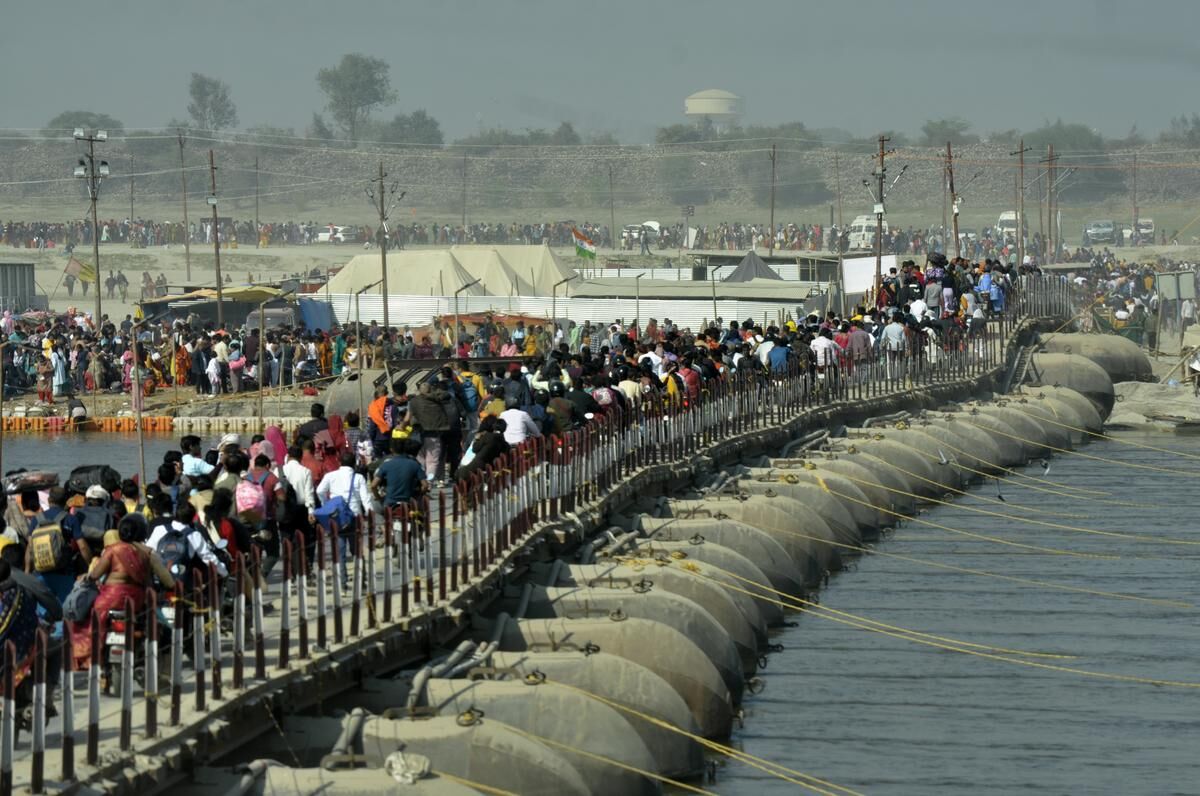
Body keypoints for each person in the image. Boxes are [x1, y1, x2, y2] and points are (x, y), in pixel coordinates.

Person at [69, 513, 176, 670]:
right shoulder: (149, 552)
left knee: (90, 622)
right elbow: (167, 580)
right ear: (142, 532)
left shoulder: (112, 550)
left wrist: (88, 577)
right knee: (159, 625)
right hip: (138, 599)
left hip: (109, 598)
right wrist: (171, 586)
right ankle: (159, 670)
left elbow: (95, 575)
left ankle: (93, 660)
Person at [371, 438, 426, 511]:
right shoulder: (414, 464)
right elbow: (425, 485)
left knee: (374, 504)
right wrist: (418, 495)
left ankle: (384, 521)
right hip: (409, 501)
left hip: (389, 503)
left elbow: (373, 485)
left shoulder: (386, 465)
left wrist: (379, 498)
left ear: (391, 450)